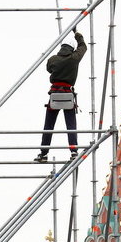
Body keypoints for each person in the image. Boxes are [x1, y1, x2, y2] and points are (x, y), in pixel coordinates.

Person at [34, 28, 86, 164]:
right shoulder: (74, 58)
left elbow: (49, 69)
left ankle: (43, 153)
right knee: (71, 125)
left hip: (55, 94)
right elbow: (83, 46)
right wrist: (77, 34)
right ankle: (74, 151)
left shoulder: (53, 59)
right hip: (68, 94)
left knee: (49, 125)